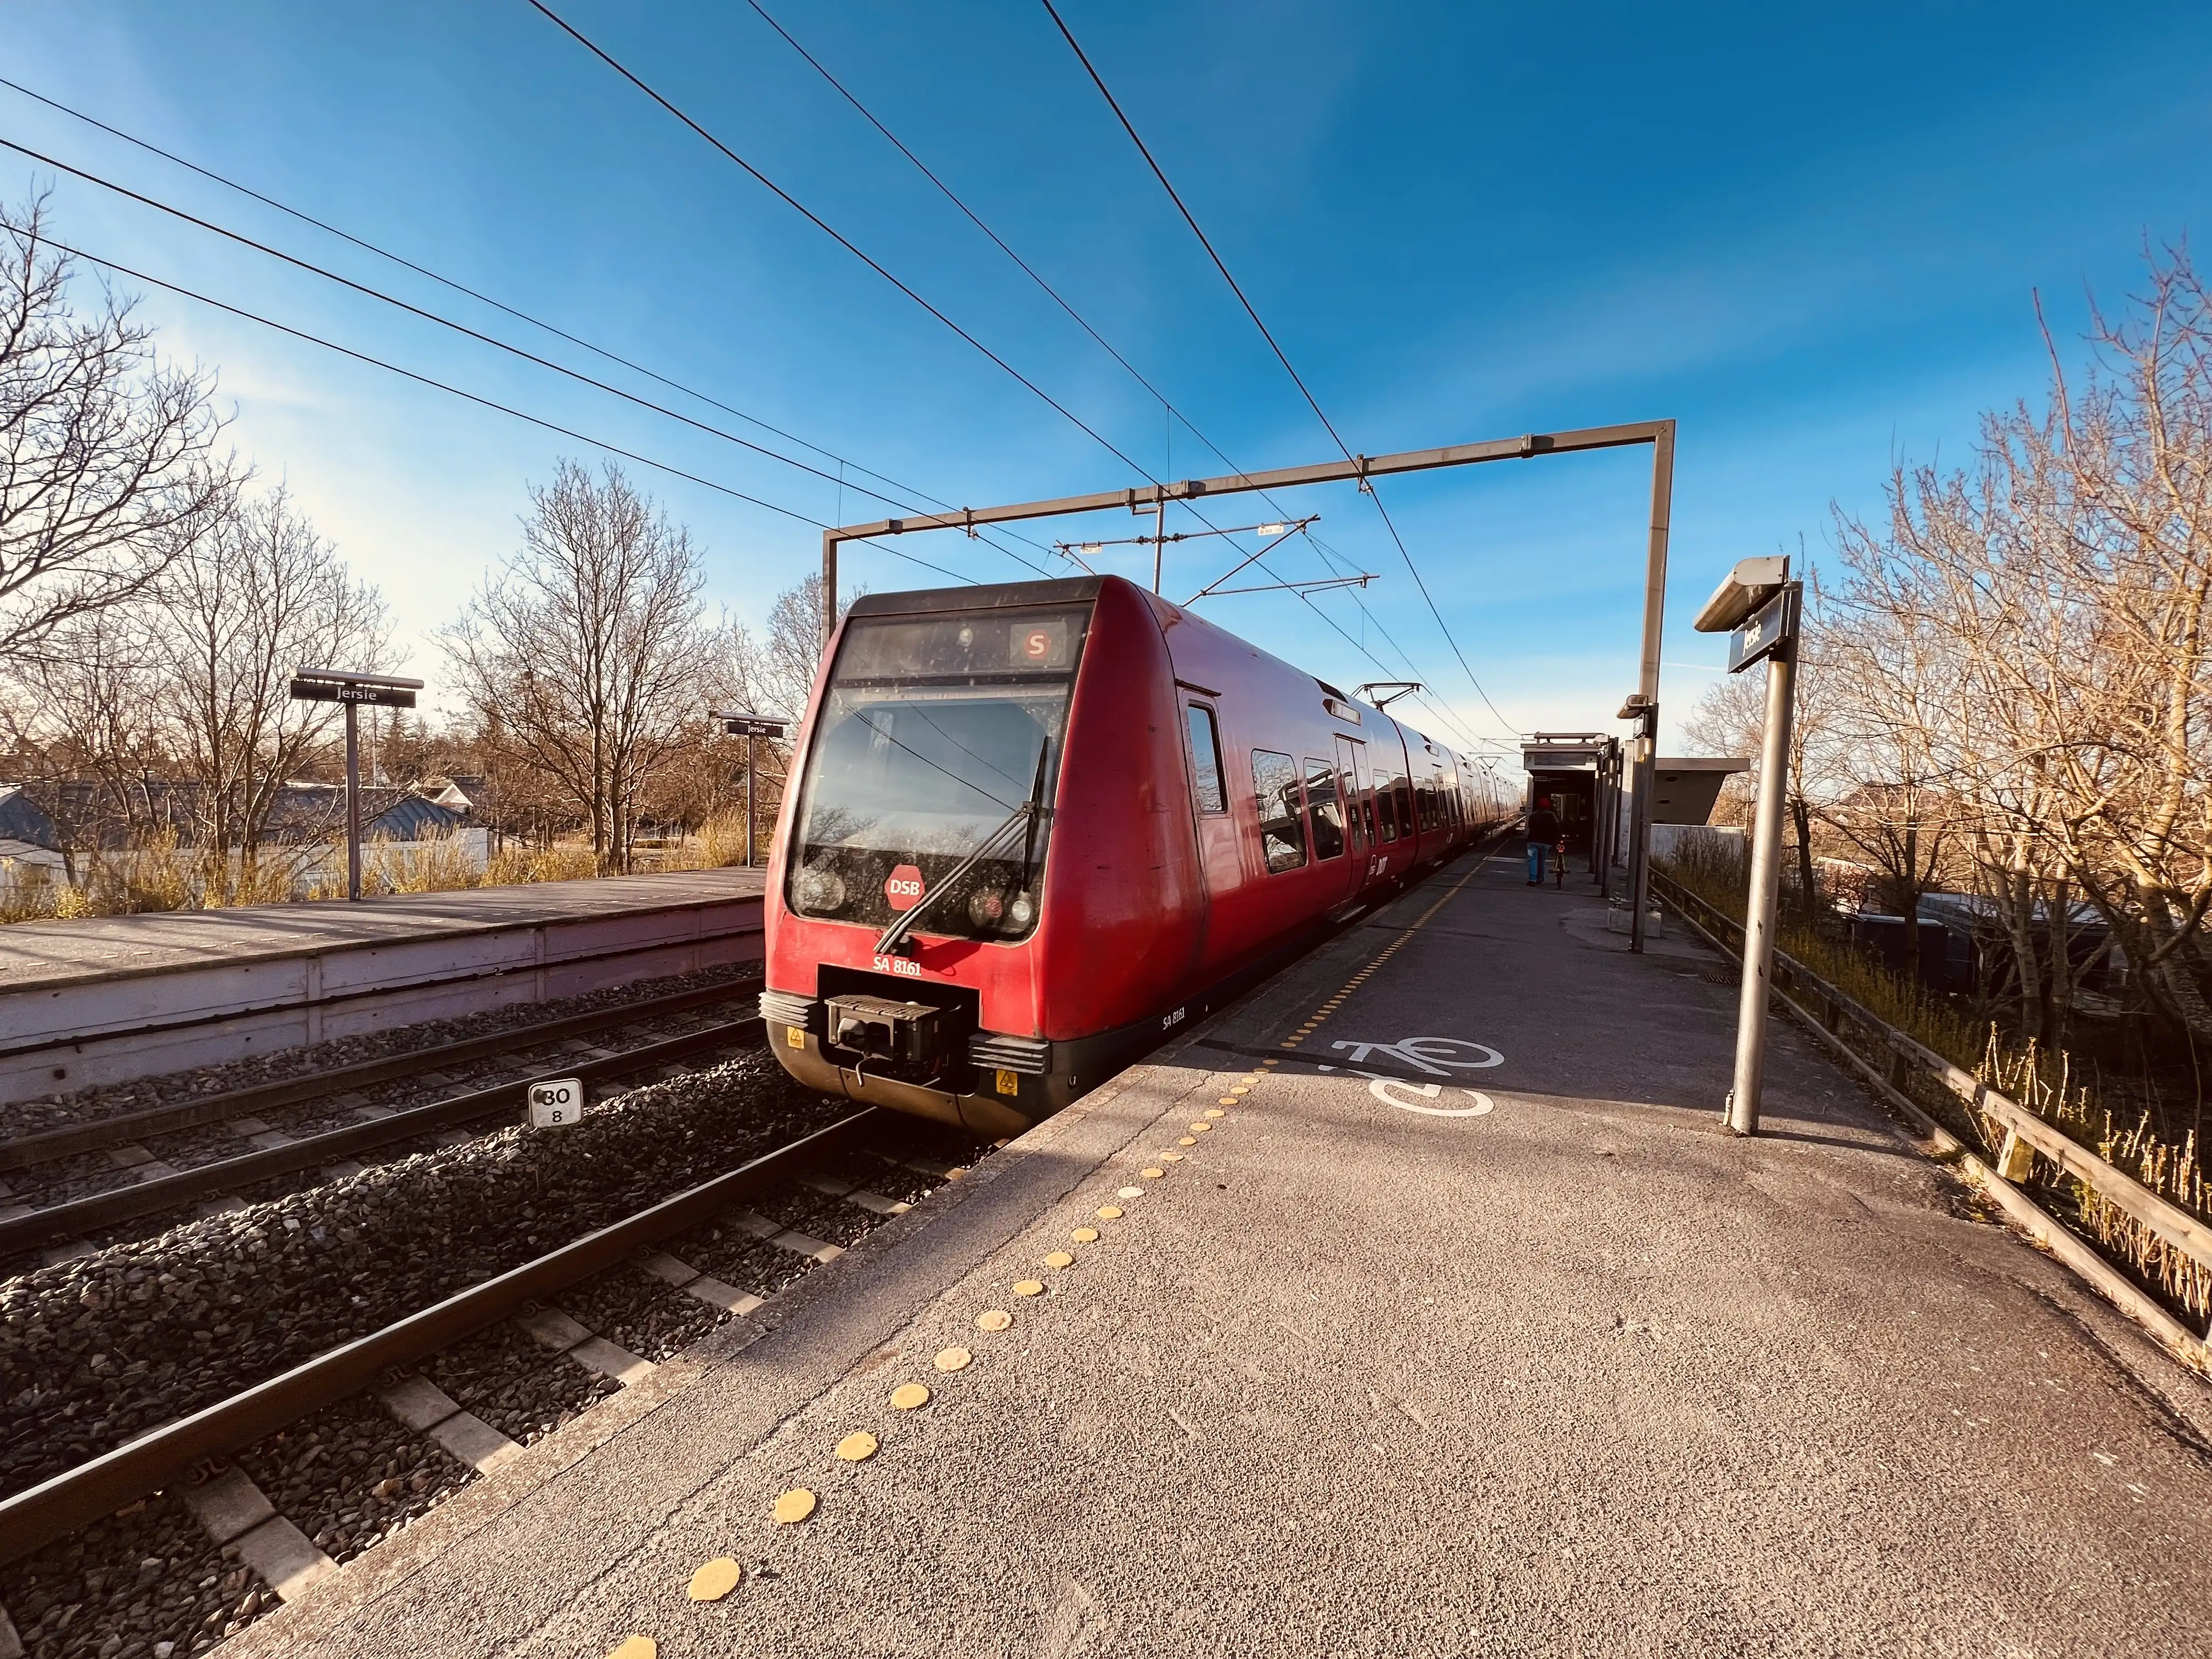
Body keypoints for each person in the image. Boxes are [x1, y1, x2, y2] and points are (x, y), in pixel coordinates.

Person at [1525, 795, 1560, 885]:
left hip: (1532, 842)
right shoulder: (1552, 815)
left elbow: (1530, 826)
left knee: (1532, 860)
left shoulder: (1533, 815)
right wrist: (1557, 838)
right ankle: (1540, 878)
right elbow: (1557, 827)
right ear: (1548, 806)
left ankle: (1532, 879)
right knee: (1542, 860)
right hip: (1546, 843)